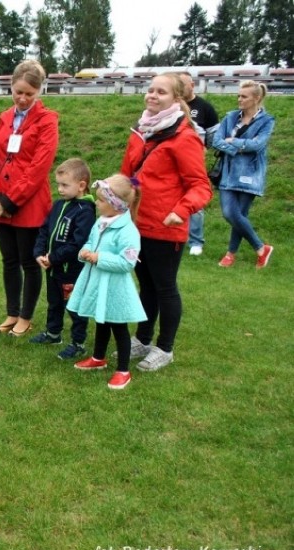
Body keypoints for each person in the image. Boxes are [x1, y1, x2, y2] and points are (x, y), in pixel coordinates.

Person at [119, 72, 212, 372]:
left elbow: (201, 186)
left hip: (165, 227)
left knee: (165, 287)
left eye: (161, 92)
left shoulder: (185, 138)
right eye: (150, 90)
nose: (153, 95)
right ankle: (143, 338)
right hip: (136, 223)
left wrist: (181, 210)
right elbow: (129, 174)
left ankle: (165, 347)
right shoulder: (141, 130)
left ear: (178, 99)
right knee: (145, 285)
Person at [0, 60, 58, 337]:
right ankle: (11, 313)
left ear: (39, 92)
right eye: (19, 92)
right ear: (11, 87)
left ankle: (25, 316)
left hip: (29, 204)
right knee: (9, 261)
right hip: (0, 203)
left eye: (30, 93)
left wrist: (9, 202)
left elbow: (38, 168)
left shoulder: (47, 121)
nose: (23, 98)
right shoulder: (4, 118)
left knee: (28, 262)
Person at [68, 175, 147, 390]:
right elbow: (92, 241)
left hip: (114, 287)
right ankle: (98, 358)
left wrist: (99, 258)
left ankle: (123, 370)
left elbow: (127, 262)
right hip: (97, 282)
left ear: (116, 205)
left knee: (118, 327)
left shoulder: (128, 230)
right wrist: (85, 250)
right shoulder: (100, 221)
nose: (97, 203)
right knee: (101, 320)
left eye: (102, 200)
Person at [31, 158, 95, 360]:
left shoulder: (86, 211)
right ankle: (53, 333)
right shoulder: (59, 205)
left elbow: (77, 243)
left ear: (82, 185)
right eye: (58, 184)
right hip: (53, 267)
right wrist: (39, 253)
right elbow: (44, 229)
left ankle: (78, 343)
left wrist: (54, 257)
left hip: (71, 271)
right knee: (54, 301)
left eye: (65, 185)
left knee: (74, 306)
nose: (60, 189)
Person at [213, 80, 275, 270]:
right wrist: (238, 148)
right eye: (238, 95)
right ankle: (260, 247)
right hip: (228, 173)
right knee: (230, 213)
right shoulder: (230, 117)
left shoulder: (267, 121)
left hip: (250, 174)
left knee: (239, 215)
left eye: (244, 96)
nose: (239, 99)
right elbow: (216, 141)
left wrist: (233, 141)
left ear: (256, 98)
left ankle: (230, 254)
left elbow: (258, 144)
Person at [179, 72, 219, 256]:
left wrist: (200, 150)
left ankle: (196, 241)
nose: (180, 88)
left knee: (195, 201)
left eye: (183, 84)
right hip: (173, 161)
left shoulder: (205, 107)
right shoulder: (173, 105)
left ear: (192, 85)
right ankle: (177, 237)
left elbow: (213, 136)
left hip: (194, 163)